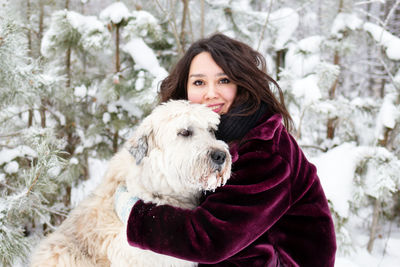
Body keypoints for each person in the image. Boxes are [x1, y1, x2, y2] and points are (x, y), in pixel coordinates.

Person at [115, 33, 337, 266]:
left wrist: (134, 215)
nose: (211, 93)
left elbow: (211, 238)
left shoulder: (266, 149)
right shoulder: (208, 133)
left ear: (241, 84)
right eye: (199, 82)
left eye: (223, 81)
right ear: (186, 87)